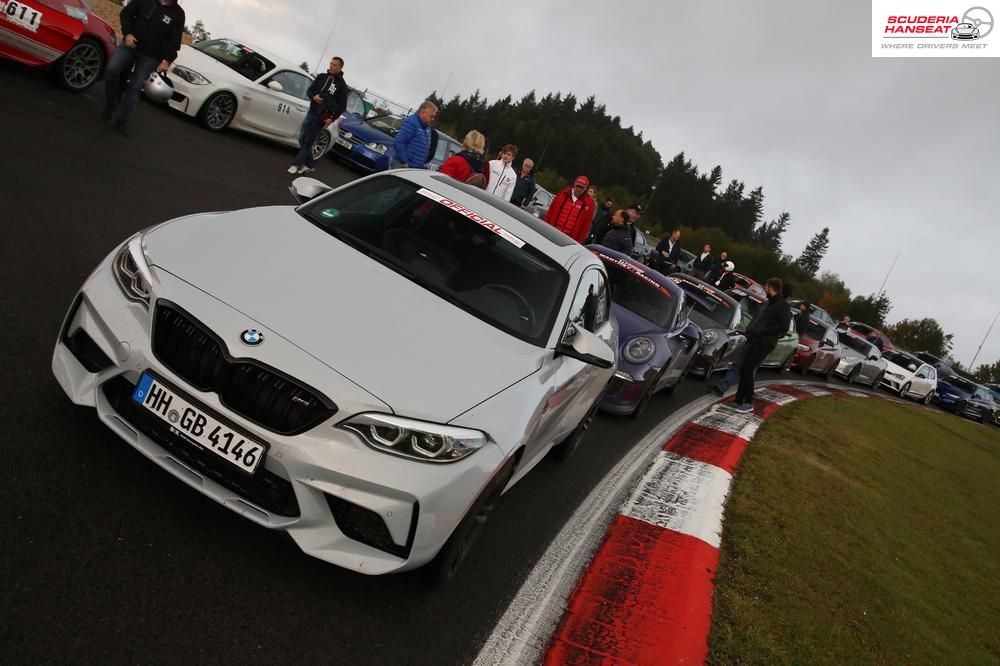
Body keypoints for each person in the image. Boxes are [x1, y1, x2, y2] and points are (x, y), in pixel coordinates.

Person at [102, 0, 185, 136]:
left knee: (135, 85)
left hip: (151, 56)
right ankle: (111, 104)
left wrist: (167, 60)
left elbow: (174, 41)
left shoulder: (178, 14)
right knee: (112, 69)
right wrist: (127, 33)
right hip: (130, 45)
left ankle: (122, 120)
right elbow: (126, 14)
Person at [729, 278, 793, 413]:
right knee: (744, 369)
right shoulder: (769, 303)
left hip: (765, 342)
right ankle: (738, 400)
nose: (765, 289)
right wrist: (751, 332)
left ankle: (748, 402)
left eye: (766, 287)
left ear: (772, 288)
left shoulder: (782, 305)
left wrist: (765, 332)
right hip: (755, 339)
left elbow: (784, 326)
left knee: (747, 369)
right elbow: (760, 320)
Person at [287, 57, 348, 174]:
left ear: (340, 68)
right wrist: (313, 97)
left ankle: (296, 164)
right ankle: (309, 165)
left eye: (335, 65)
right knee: (302, 139)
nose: (331, 66)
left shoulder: (342, 86)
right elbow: (309, 91)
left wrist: (332, 118)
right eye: (331, 63)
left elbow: (342, 107)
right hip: (311, 111)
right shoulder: (321, 77)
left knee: (309, 141)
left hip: (322, 117)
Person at [545, 176, 596, 243]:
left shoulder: (589, 204)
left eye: (582, 187)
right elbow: (550, 212)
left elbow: (585, 227)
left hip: (569, 240)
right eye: (578, 186)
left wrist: (578, 242)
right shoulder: (562, 195)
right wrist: (545, 228)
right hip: (552, 232)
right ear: (574, 184)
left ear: (586, 188)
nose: (579, 189)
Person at [392, 100, 438, 169]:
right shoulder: (411, 123)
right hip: (401, 166)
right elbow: (398, 142)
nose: (433, 119)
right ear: (423, 112)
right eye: (431, 116)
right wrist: (404, 161)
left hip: (413, 168)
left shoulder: (427, 128)